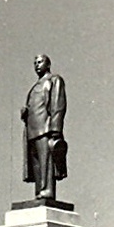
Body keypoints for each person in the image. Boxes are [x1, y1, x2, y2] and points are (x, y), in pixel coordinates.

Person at [21, 54, 67, 199]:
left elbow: (58, 105)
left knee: (46, 161)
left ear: (48, 64)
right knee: (36, 163)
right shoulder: (35, 86)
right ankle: (39, 190)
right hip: (32, 129)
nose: (37, 65)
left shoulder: (54, 80)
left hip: (45, 128)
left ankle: (48, 190)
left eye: (40, 62)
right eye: (35, 62)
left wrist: (56, 129)